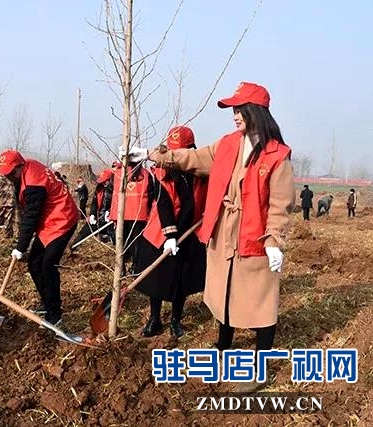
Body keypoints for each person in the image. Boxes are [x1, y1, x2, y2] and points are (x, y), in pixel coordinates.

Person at [149, 81, 295, 393]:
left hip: (254, 234)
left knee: (260, 301)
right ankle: (222, 349)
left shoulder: (276, 155)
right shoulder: (228, 144)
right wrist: (155, 155)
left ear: (255, 111)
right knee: (224, 293)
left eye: (239, 109)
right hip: (223, 231)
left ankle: (260, 365)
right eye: (233, 110)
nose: (235, 115)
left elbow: (281, 204)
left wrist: (274, 242)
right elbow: (192, 158)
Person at [136, 125, 207, 338]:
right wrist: (170, 236)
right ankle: (154, 318)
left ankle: (176, 319)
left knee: (181, 280)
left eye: (180, 151)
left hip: (190, 231)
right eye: (172, 150)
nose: (175, 156)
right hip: (162, 231)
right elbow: (163, 203)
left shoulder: (199, 171)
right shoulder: (161, 171)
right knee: (157, 278)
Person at [0, 150, 79, 326]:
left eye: (12, 173)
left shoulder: (34, 182)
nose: (10, 177)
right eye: (6, 174)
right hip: (49, 221)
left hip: (62, 220)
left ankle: (55, 313)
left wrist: (21, 247)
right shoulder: (28, 168)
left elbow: (31, 217)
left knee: (48, 265)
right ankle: (47, 301)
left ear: (20, 165)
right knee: (34, 264)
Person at [110, 146, 154, 273]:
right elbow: (151, 194)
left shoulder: (118, 174)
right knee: (137, 243)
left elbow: (111, 192)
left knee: (121, 242)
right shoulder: (145, 174)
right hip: (139, 214)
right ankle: (135, 267)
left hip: (120, 213)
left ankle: (120, 267)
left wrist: (110, 211)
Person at [70, 168, 114, 248]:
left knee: (116, 238)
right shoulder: (99, 189)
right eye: (102, 181)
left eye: (106, 181)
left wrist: (111, 212)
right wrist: (92, 214)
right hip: (98, 217)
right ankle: (73, 247)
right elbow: (94, 203)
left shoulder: (117, 191)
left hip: (111, 221)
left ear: (111, 179)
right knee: (84, 231)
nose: (104, 183)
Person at [0, 174, 17, 239]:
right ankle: (7, 236)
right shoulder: (13, 177)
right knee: (8, 220)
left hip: (0, 202)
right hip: (10, 202)